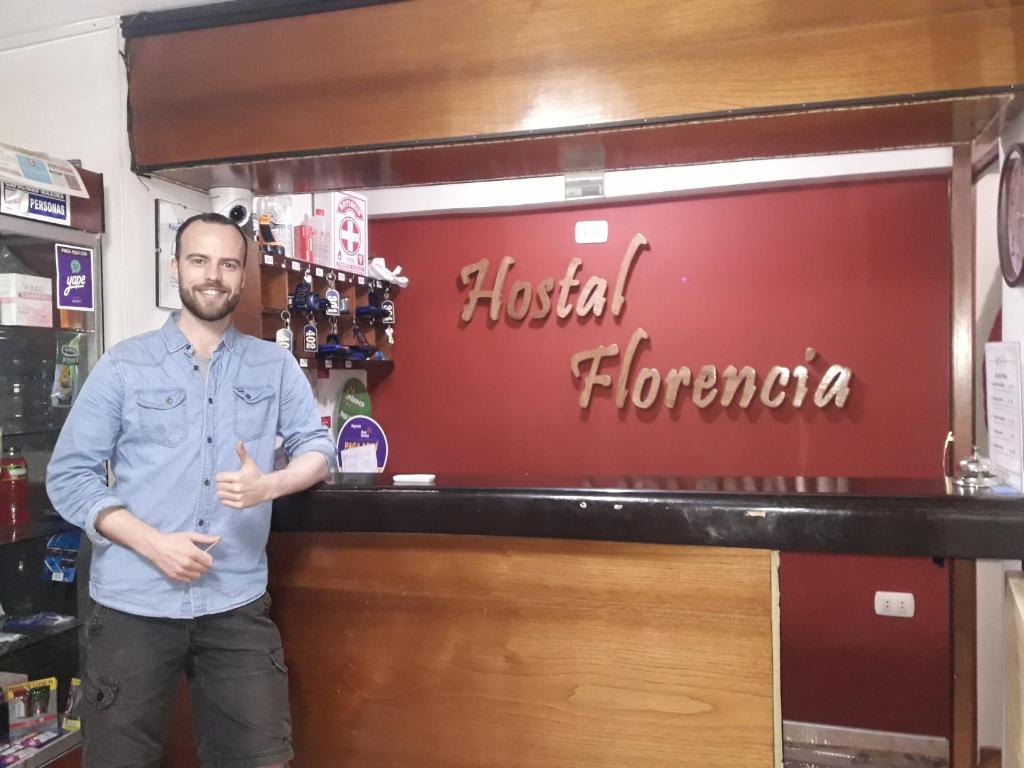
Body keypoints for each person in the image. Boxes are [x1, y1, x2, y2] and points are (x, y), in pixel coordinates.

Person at [46, 213, 334, 768]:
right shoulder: (124, 366)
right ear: (175, 268)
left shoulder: (273, 366)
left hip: (236, 604)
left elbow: (318, 450)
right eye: (199, 260)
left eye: (228, 264)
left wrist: (269, 484)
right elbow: (69, 475)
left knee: (260, 759)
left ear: (243, 276)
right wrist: (153, 543)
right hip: (132, 605)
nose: (213, 275)